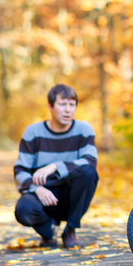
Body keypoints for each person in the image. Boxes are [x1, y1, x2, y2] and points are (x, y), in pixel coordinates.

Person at [14, 84, 99, 249]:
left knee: (89, 173)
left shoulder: (83, 130)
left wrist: (54, 166)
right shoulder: (33, 132)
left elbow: (90, 161)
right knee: (23, 209)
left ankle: (70, 230)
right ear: (50, 106)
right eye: (62, 104)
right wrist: (36, 188)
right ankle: (48, 232)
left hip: (70, 196)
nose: (68, 110)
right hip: (43, 195)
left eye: (72, 105)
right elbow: (19, 170)